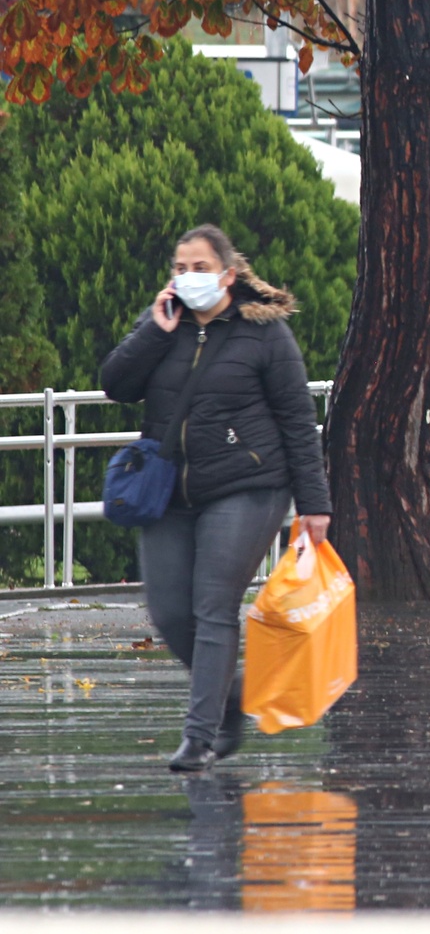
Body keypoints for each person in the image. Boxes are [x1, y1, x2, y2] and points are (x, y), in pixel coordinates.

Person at [99, 225, 331, 773]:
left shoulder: (266, 334)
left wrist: (314, 504)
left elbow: (299, 422)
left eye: (199, 268)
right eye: (180, 268)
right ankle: (231, 698)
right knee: (170, 612)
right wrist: (154, 334)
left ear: (228, 276)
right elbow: (115, 384)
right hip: (170, 491)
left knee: (213, 607)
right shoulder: (163, 324)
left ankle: (199, 737)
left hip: (248, 487)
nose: (187, 278)